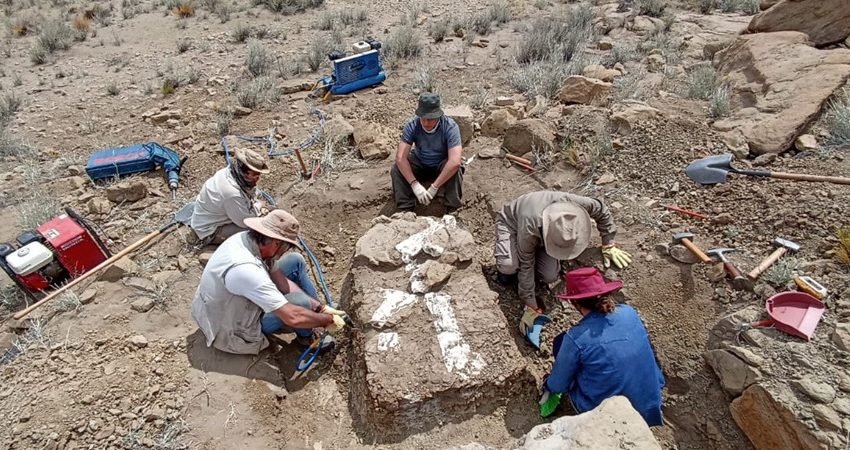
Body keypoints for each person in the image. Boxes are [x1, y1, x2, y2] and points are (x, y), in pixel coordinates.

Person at [191, 209, 347, 358]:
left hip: (232, 301)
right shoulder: (247, 269)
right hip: (230, 326)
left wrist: (319, 308)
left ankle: (315, 315)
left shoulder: (251, 240)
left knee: (295, 261)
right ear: (275, 243)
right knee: (299, 303)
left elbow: (281, 280)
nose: (286, 250)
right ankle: (307, 338)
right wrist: (328, 321)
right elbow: (293, 317)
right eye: (286, 246)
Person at [494, 190, 632, 348]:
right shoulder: (530, 224)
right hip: (512, 224)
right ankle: (506, 274)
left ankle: (537, 259)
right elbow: (526, 264)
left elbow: (601, 209)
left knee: (550, 276)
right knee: (509, 266)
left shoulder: (575, 206)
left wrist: (608, 242)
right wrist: (530, 303)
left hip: (546, 235)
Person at [539, 267, 665, 427]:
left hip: (609, 419)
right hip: (650, 405)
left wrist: (548, 384)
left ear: (574, 302)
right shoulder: (629, 312)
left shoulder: (577, 338)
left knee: (560, 343)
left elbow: (558, 385)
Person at [390, 92, 464, 212]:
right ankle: (405, 209)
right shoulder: (412, 125)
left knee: (456, 169)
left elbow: (454, 161)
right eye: (423, 118)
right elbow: (400, 158)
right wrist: (414, 184)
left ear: (438, 116)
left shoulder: (450, 127)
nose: (426, 123)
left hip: (441, 165)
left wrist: (434, 187)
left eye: (430, 119)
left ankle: (452, 209)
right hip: (420, 162)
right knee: (397, 169)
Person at [190, 147, 272, 244]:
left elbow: (250, 193)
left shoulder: (231, 171)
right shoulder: (231, 193)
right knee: (258, 231)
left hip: (213, 218)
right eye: (255, 174)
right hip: (209, 231)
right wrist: (259, 207)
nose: (258, 178)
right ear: (244, 172)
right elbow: (245, 221)